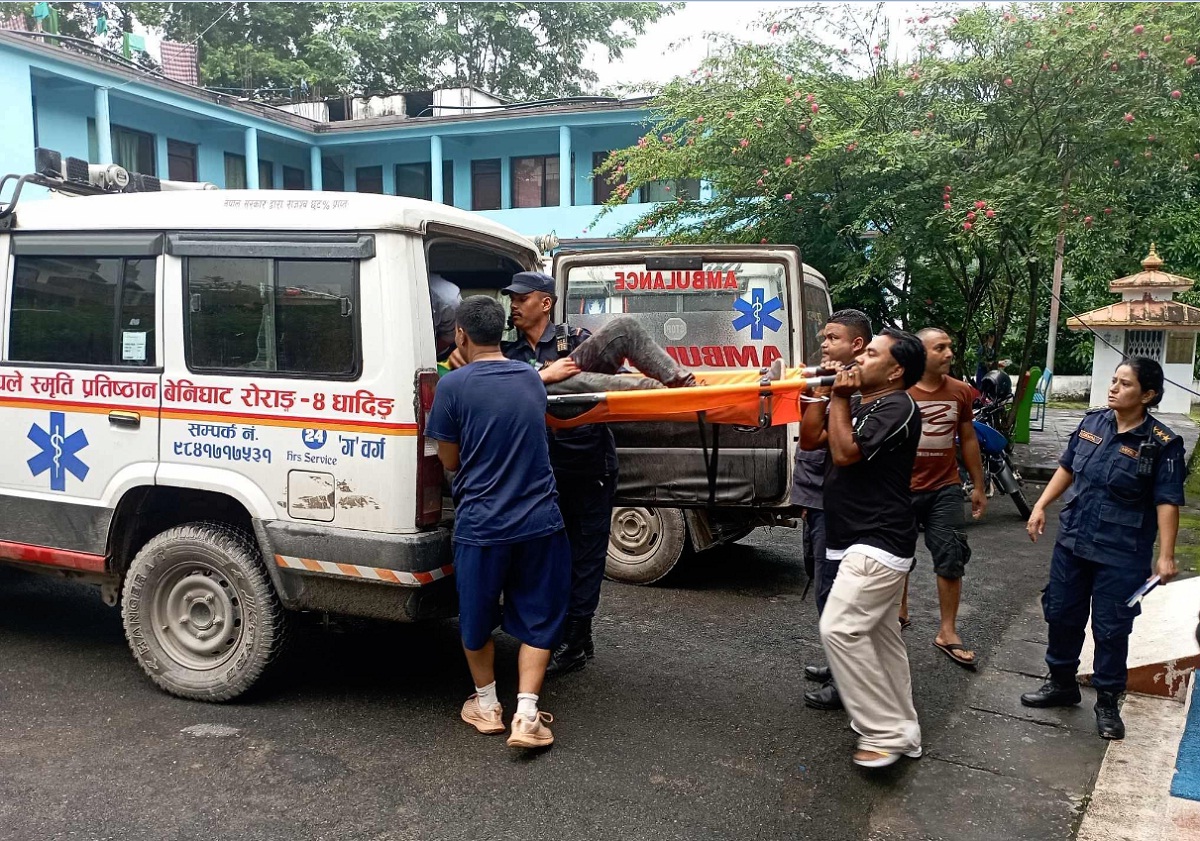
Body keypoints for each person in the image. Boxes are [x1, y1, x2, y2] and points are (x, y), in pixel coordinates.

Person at [498, 271, 695, 676]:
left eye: (522, 298)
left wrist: (549, 377)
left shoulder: (575, 341)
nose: (514, 305)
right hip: (541, 471)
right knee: (550, 559)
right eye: (511, 298)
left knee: (586, 558)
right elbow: (503, 400)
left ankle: (574, 639)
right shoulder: (508, 354)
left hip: (588, 466)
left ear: (545, 303)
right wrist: (540, 379)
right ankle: (572, 636)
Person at [425, 295, 571, 750]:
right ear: (501, 333)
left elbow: (448, 457)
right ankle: (527, 714)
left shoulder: (453, 387)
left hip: (482, 525)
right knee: (540, 616)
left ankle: (487, 706)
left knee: (476, 618)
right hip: (540, 521)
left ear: (461, 335)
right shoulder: (529, 377)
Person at [1021, 357, 1184, 740]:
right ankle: (1061, 683)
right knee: (1061, 613)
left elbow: (1167, 500)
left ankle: (1108, 701)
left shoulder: (1162, 444)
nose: (1113, 388)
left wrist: (1166, 555)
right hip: (1074, 541)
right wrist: (1041, 505)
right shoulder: (1092, 421)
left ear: (1148, 395)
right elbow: (1067, 467)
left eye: (1124, 384)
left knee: (1111, 629)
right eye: (1113, 380)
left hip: (1122, 552)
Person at [814, 328, 927, 768]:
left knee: (838, 629)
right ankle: (905, 730)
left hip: (877, 540)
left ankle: (881, 732)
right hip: (856, 537)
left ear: (896, 370)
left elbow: (845, 454)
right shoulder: (870, 402)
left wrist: (839, 399)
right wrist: (827, 392)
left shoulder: (899, 404)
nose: (858, 359)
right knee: (882, 642)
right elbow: (814, 440)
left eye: (871, 354)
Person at [795, 308, 873, 712]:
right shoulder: (826, 380)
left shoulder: (866, 389)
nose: (824, 345)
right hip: (817, 499)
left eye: (832, 338)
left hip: (845, 507)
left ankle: (849, 684)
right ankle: (836, 662)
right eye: (824, 338)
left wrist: (832, 394)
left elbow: (835, 446)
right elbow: (809, 437)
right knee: (822, 585)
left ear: (856, 344)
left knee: (839, 596)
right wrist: (823, 390)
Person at [899, 328, 987, 669]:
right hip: (900, 489)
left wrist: (977, 485)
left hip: (945, 488)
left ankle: (947, 632)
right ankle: (899, 613)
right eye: (940, 348)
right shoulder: (900, 390)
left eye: (950, 346)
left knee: (951, 555)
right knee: (897, 556)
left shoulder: (961, 392)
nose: (949, 353)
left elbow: (967, 439)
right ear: (920, 354)